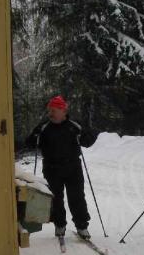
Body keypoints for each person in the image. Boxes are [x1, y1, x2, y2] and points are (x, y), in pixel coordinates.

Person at [25, 95, 98, 239]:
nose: (51, 113)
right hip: (51, 168)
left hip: (73, 167)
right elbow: (30, 143)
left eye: (54, 110)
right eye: (49, 110)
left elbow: (88, 141)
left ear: (63, 110)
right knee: (55, 198)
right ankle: (60, 225)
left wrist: (87, 134)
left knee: (76, 197)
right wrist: (35, 136)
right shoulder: (44, 127)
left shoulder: (74, 125)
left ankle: (82, 226)